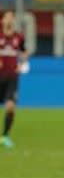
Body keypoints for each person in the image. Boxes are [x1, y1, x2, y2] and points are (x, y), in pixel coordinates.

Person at [0, 10, 29, 148]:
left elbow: (24, 51)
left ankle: (5, 136)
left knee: (11, 107)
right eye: (7, 17)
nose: (10, 19)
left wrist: (23, 63)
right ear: (2, 20)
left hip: (12, 77)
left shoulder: (19, 37)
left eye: (12, 17)